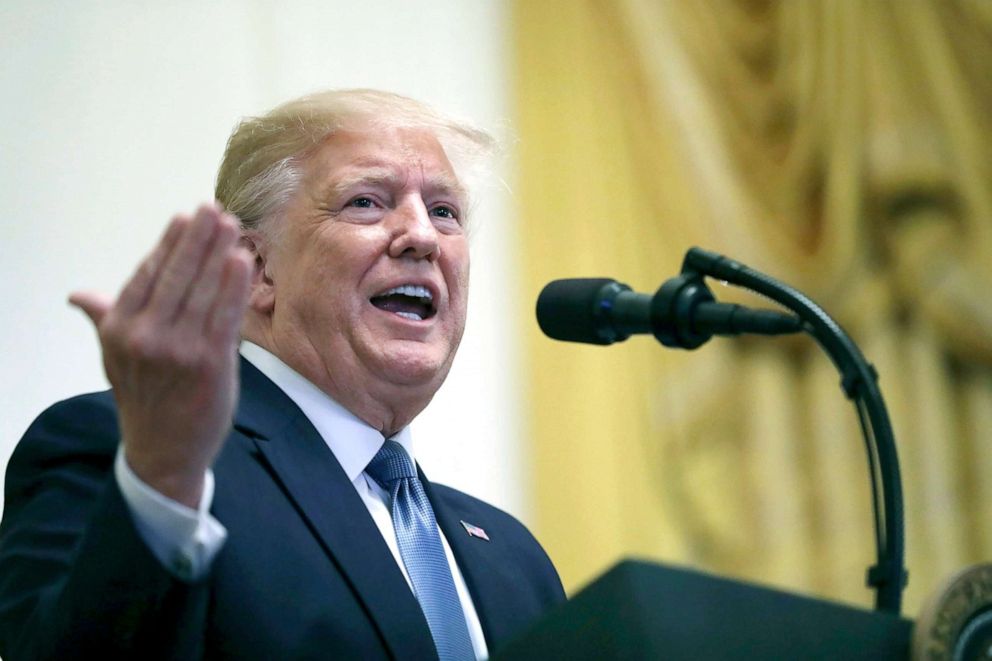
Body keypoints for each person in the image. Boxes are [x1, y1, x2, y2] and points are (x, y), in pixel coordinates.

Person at [0, 89, 565, 660]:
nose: (422, 235)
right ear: (258, 270)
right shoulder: (138, 459)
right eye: (366, 201)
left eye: (445, 211)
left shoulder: (513, 558)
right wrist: (162, 478)